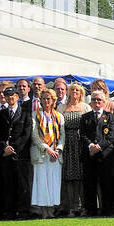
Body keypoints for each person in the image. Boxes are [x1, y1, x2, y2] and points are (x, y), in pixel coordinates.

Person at [0, 85, 31, 220]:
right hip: (5, 155)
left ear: (17, 96)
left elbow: (26, 134)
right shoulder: (1, 114)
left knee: (22, 184)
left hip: (20, 155)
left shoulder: (25, 113)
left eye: (13, 95)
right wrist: (4, 148)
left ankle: (23, 211)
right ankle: (9, 211)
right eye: (8, 96)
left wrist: (13, 148)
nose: (11, 98)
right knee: (8, 184)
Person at [81, 90, 114, 216]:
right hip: (90, 154)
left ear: (104, 102)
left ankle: (107, 209)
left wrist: (98, 146)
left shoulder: (111, 117)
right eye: (94, 100)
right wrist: (91, 145)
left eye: (99, 100)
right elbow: (83, 135)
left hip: (105, 155)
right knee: (90, 183)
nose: (96, 102)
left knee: (107, 183)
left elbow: (111, 136)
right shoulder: (85, 117)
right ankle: (91, 209)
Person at [30, 88, 64, 218]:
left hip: (55, 155)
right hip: (41, 153)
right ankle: (44, 210)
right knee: (42, 182)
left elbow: (62, 135)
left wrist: (58, 149)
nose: (46, 101)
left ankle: (51, 209)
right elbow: (34, 135)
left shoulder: (59, 116)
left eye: (48, 98)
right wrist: (47, 149)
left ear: (53, 100)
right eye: (43, 98)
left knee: (53, 182)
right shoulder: (35, 115)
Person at [60, 84, 90, 216]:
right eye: (72, 89)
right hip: (67, 144)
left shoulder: (85, 107)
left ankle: (83, 206)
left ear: (81, 92)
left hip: (80, 144)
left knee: (82, 176)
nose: (74, 92)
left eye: (77, 90)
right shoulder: (62, 107)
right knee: (69, 176)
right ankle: (71, 206)